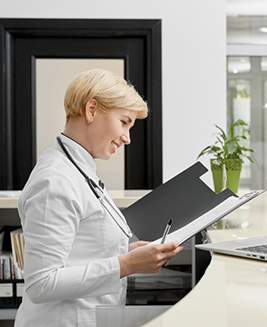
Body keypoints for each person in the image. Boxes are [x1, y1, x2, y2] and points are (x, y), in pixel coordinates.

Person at [15, 69, 183, 327]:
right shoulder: (54, 180)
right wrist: (125, 264)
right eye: (124, 122)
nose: (127, 138)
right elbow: (41, 283)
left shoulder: (79, 170)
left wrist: (126, 254)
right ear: (91, 109)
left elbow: (80, 250)